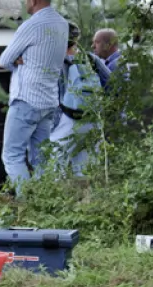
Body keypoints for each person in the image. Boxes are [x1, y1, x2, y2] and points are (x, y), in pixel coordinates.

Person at [0, 0, 69, 195]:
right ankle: (44, 204)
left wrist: (21, 61)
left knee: (12, 155)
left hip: (26, 99)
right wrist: (25, 60)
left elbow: (4, 60)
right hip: (49, 101)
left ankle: (27, 203)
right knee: (41, 159)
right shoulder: (62, 24)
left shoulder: (31, 25)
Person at [50, 22, 109, 176]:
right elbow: (112, 82)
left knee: (55, 167)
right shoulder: (90, 58)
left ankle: (56, 199)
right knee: (85, 171)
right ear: (76, 40)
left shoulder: (56, 61)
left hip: (67, 119)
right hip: (93, 120)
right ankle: (88, 199)